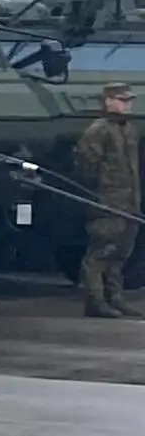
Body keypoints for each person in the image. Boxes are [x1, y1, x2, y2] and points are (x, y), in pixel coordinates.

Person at [76, 81, 139, 318]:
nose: (128, 105)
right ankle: (95, 300)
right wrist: (98, 196)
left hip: (129, 201)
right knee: (101, 252)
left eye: (129, 100)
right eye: (123, 100)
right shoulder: (98, 130)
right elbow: (86, 168)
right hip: (106, 201)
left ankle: (115, 297)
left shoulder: (129, 129)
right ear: (108, 101)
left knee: (120, 252)